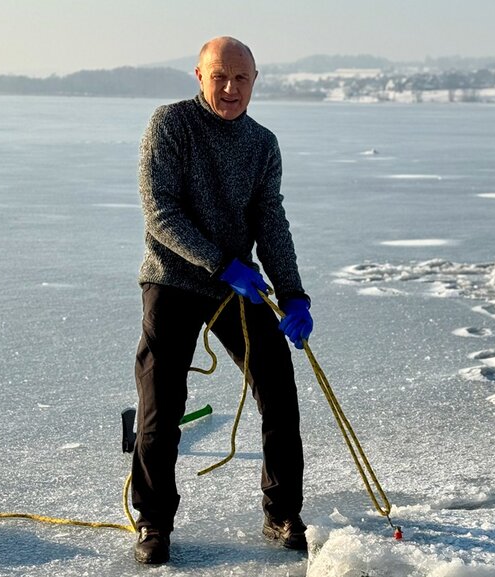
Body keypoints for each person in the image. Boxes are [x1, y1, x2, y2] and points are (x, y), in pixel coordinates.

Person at [131, 36, 314, 565]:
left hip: (239, 287)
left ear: (254, 82)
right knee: (161, 406)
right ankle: (154, 522)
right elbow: (159, 214)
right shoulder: (170, 125)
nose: (230, 88)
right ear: (199, 76)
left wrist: (294, 294)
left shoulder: (263, 144)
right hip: (172, 279)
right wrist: (219, 263)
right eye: (220, 77)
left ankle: (282, 511)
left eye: (242, 79)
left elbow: (270, 223)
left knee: (279, 392)